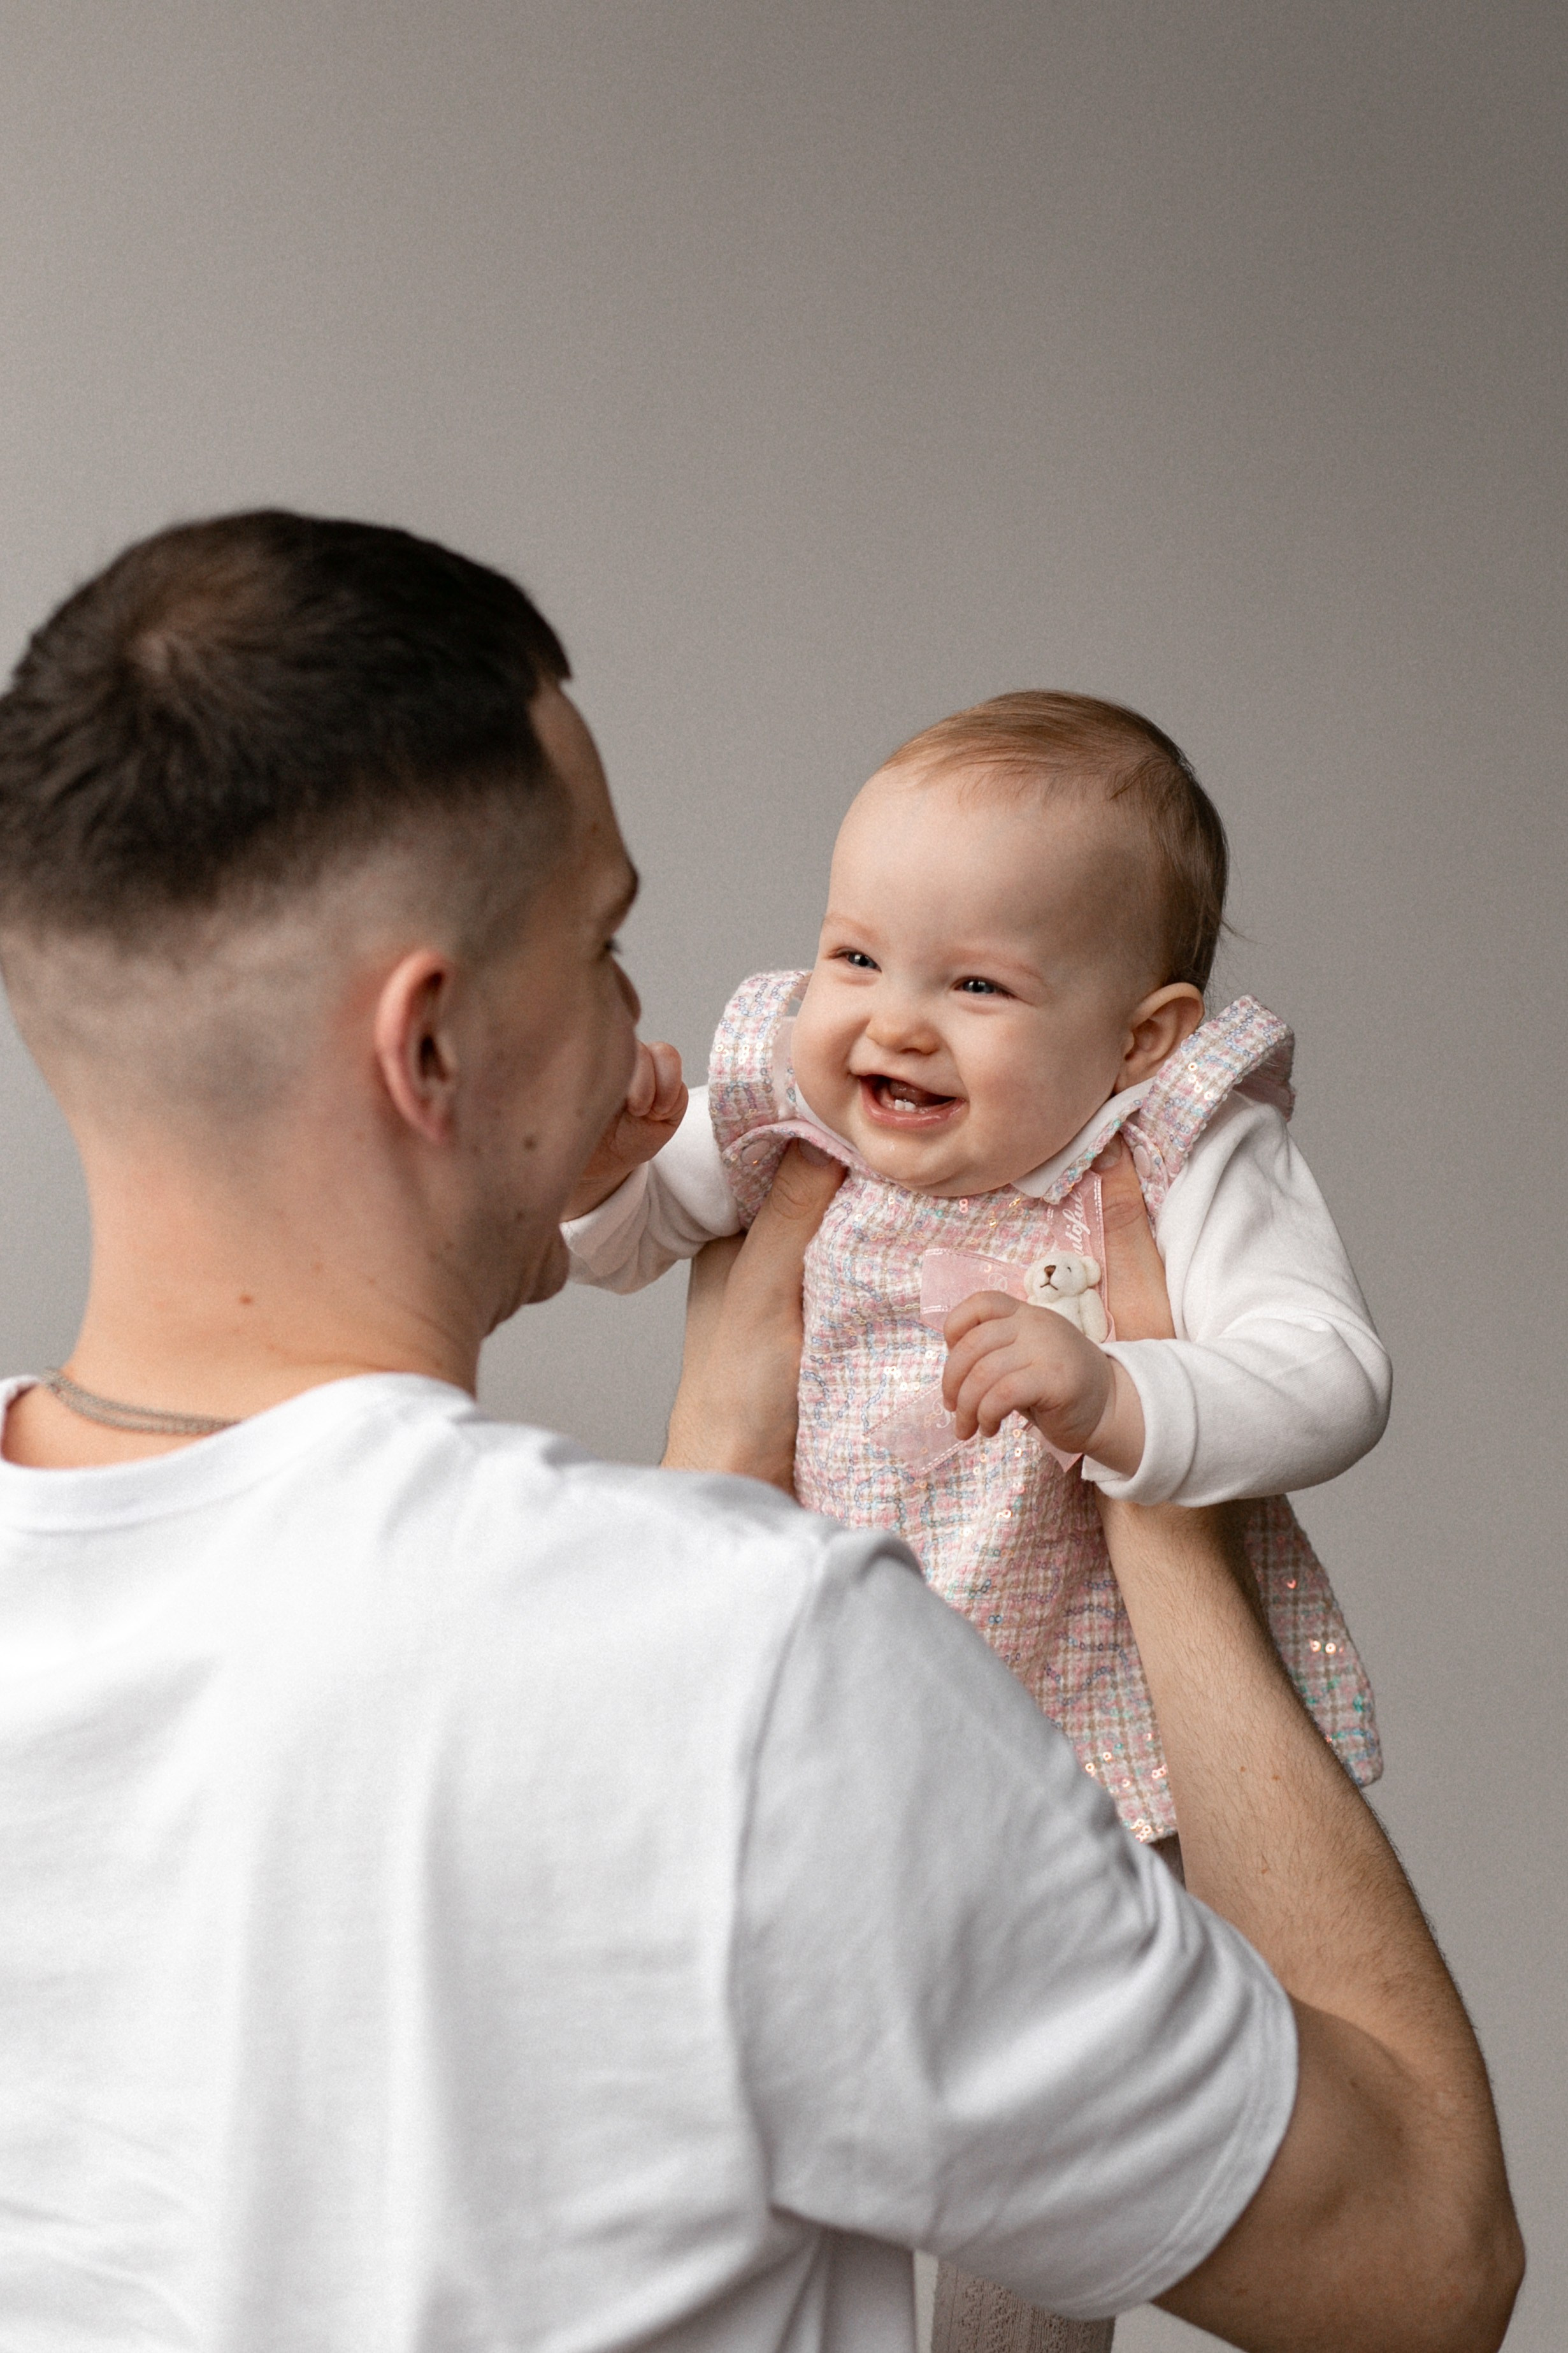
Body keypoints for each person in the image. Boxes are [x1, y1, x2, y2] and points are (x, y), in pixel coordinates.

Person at [0, 512, 1520, 2352]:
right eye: (606, 939)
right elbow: (1416, 2264)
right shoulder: (759, 1669)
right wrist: (1156, 1499)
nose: (675, 1016)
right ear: (433, 1048)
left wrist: (720, 1446)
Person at [558, 694, 1388, 1855]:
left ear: (1139, 1040)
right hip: (834, 1680)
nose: (891, 1023)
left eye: (977, 987)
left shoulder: (1172, 1154)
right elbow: (629, 1240)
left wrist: (1120, 1395)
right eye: (856, 957)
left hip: (1099, 1713)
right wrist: (601, 1176)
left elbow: (1331, 1375)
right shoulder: (799, 1111)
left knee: (1115, 1997)